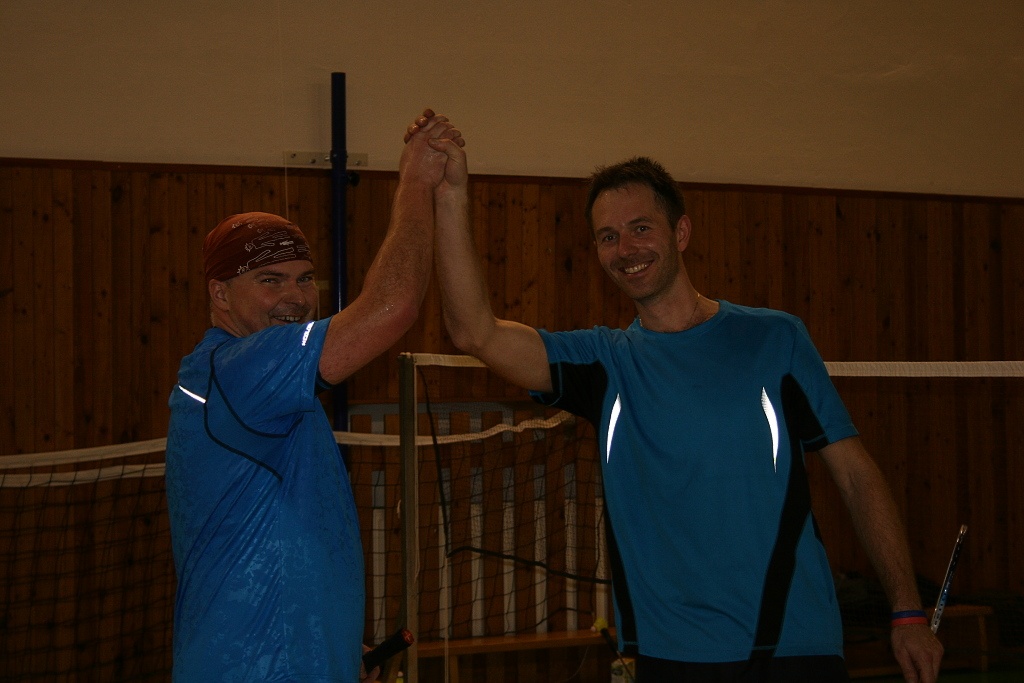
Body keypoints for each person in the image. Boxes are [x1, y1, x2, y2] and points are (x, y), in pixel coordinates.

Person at [423, 131, 944, 683]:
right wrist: (451, 195)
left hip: (791, 645)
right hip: (669, 654)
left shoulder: (776, 339)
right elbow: (474, 331)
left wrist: (907, 610)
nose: (626, 249)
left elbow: (856, 476)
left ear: (681, 232)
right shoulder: (603, 363)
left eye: (640, 228)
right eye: (607, 237)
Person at [165, 109, 464, 682]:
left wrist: (331, 646)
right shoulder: (242, 369)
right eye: (270, 280)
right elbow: (393, 307)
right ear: (220, 295)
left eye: (305, 278)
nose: (296, 297)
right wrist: (416, 182)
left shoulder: (252, 381)